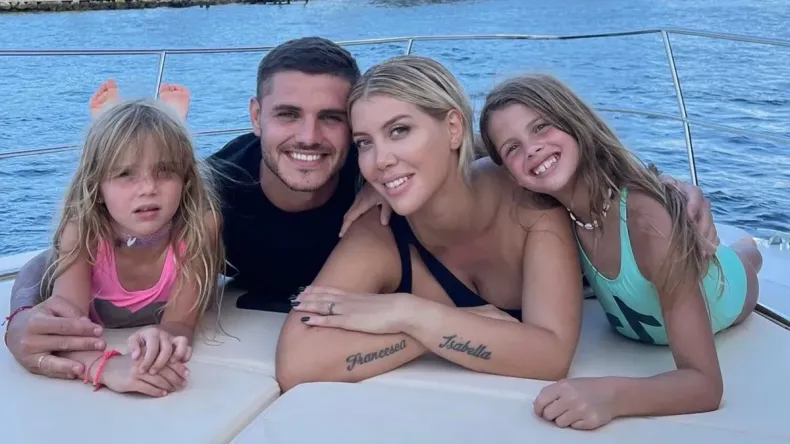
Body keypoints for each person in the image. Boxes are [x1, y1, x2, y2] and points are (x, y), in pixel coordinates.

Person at [4, 36, 715, 381]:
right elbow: (94, 228)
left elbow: (533, 162)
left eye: (339, 122)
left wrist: (663, 187)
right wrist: (24, 315)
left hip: (610, 289)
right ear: (255, 116)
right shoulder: (214, 189)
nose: (312, 138)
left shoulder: (386, 191)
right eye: (287, 114)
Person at [274, 55, 722, 392]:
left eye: (399, 131)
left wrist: (408, 312)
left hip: (669, 286)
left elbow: (550, 357)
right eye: (364, 143)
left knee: (741, 263)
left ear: (454, 128)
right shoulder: (380, 229)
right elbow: (297, 363)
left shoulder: (528, 200)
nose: (380, 160)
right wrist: (429, 327)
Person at [478, 73, 762, 430]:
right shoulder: (556, 220)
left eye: (541, 127)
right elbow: (470, 168)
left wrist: (610, 396)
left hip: (729, 291)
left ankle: (750, 248)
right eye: (512, 148)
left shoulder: (648, 224)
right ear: (511, 176)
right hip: (643, 316)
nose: (531, 149)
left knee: (746, 258)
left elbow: (705, 385)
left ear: (574, 121)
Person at [5, 94, 224, 397]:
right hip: (64, 263)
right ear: (96, 187)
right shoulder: (81, 232)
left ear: (186, 180)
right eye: (124, 174)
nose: (148, 188)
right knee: (38, 273)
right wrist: (106, 367)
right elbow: (67, 328)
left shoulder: (200, 227)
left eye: (165, 171)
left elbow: (179, 325)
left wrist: (160, 343)